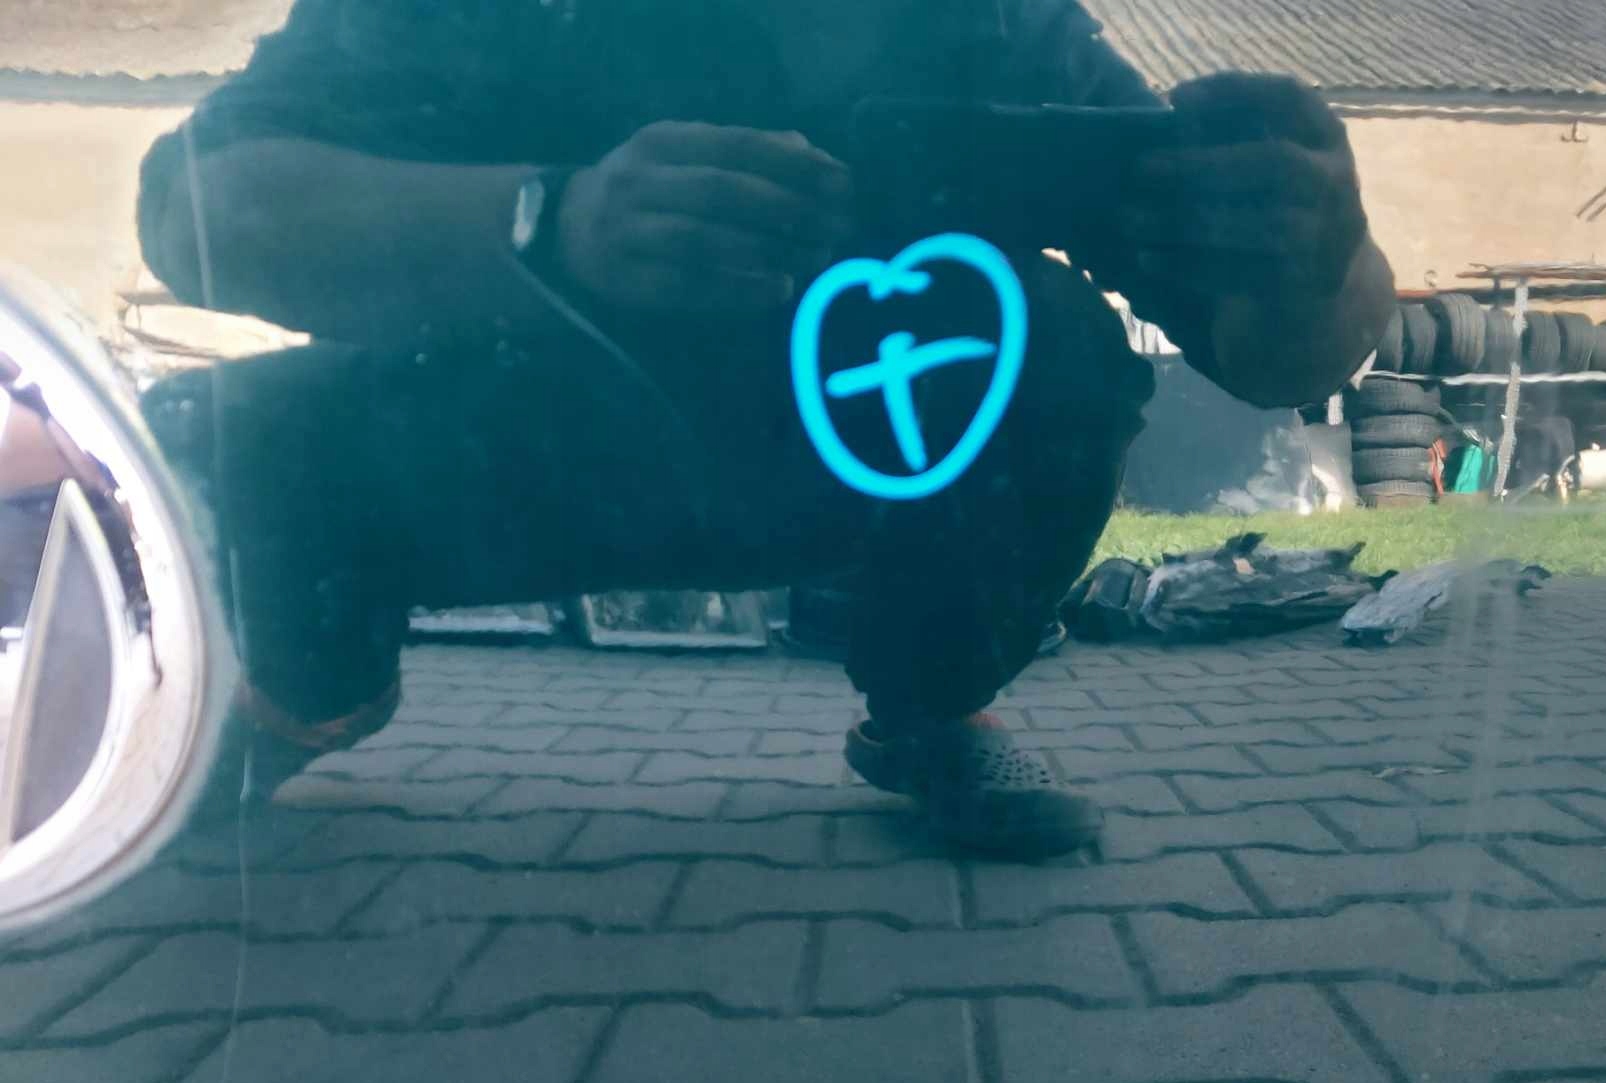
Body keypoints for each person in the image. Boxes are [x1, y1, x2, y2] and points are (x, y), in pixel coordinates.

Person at [135, 0, 1394, 858]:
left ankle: (932, 706)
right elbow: (189, 209)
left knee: (1054, 343)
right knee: (197, 439)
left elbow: (1276, 362)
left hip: (820, 456)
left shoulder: (997, 23)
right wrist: (549, 219)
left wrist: (1322, 260)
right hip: (516, 434)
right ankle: (307, 690)